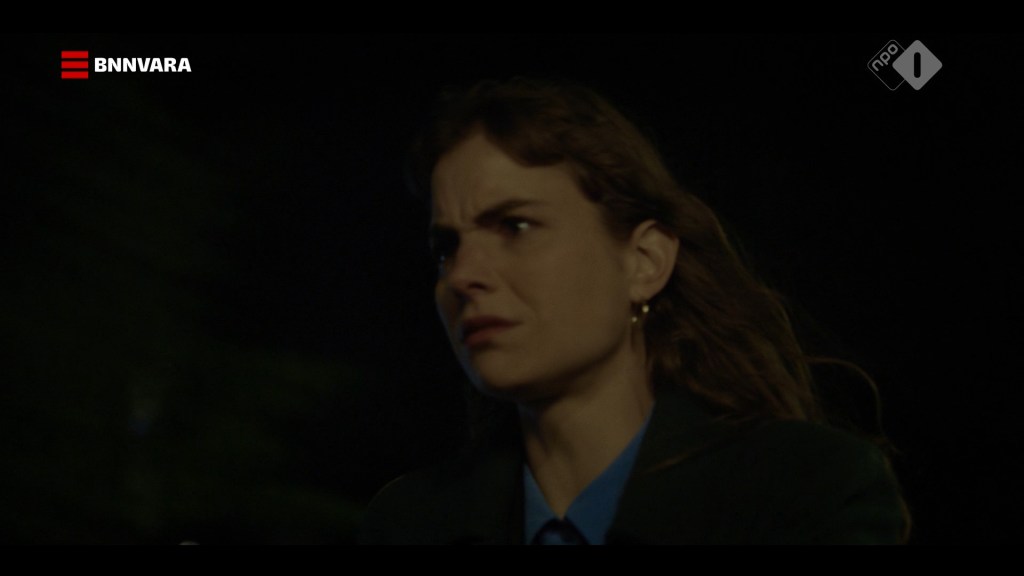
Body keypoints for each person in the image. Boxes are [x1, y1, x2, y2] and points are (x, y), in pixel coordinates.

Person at [358, 77, 910, 545]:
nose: (463, 275)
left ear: (645, 261)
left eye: (515, 226)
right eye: (446, 247)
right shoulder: (410, 525)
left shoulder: (804, 492)